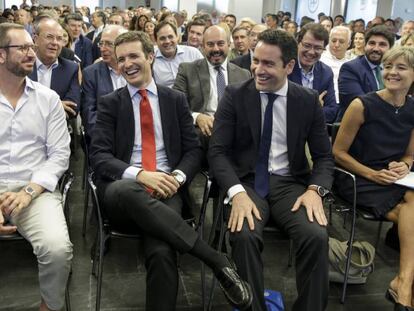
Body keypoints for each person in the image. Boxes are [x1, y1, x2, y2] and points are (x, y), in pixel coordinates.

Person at [89, 30, 252, 311]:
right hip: (122, 190)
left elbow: (192, 151)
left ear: (150, 56)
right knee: (128, 189)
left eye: (134, 56)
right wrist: (139, 174)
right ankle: (215, 259)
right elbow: (99, 156)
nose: (127, 64)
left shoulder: (174, 100)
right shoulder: (110, 103)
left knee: (163, 250)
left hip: (168, 188)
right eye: (121, 59)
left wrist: (176, 178)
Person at [208, 28, 334, 311]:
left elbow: (324, 157)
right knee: (243, 235)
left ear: (289, 66)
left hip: (290, 185)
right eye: (256, 61)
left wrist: (316, 191)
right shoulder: (235, 95)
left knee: (316, 235)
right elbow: (217, 151)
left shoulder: (307, 100)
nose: (257, 70)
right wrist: (236, 193)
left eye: (268, 64)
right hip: (248, 182)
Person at [333, 46, 414, 311]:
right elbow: (338, 153)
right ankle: (403, 287)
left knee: (411, 201)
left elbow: (410, 156)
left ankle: (403, 282)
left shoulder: (413, 109)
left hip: (393, 180)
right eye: (388, 66)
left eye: (400, 67)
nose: (392, 72)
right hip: (357, 177)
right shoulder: (362, 105)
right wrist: (371, 174)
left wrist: (403, 166)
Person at [0, 23, 72, 311]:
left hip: (34, 190)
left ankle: (49, 306)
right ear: (1, 55)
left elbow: (59, 155)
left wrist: (29, 191)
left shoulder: (48, 99)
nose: (32, 53)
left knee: (57, 249)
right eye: (23, 48)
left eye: (32, 46)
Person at [173, 25, 250, 152]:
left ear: (229, 45)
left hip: (234, 133)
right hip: (201, 133)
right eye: (210, 44)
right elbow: (176, 105)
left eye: (220, 44)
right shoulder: (187, 70)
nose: (216, 49)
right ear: (203, 47)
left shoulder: (243, 74)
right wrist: (197, 117)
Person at [81, 25, 127, 145]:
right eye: (101, 43)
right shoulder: (91, 73)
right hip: (104, 142)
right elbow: (89, 116)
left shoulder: (134, 70)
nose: (103, 49)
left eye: (109, 44)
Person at [338, 25, 394, 120]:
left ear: (390, 48)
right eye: (372, 43)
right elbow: (360, 105)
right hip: (358, 126)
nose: (376, 48)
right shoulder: (350, 68)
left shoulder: (393, 70)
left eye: (382, 44)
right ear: (365, 45)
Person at [29, 18, 80, 119]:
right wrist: (56, 105)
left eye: (59, 38)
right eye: (49, 37)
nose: (55, 42)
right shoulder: (23, 65)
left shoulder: (70, 69)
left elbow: (72, 109)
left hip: (58, 129)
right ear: (35, 39)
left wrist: (34, 106)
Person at [288, 23, 338, 123]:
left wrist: (304, 111)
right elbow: (284, 109)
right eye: (307, 46)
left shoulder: (326, 73)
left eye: (318, 48)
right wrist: (314, 107)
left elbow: (332, 111)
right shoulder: (286, 67)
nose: (311, 52)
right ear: (298, 43)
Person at [152, 21, 203, 88]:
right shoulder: (151, 60)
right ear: (156, 41)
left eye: (170, 37)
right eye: (162, 38)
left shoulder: (193, 54)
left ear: (177, 37)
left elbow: (206, 78)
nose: (167, 41)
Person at [320, 26, 352, 103]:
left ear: (349, 43)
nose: (337, 45)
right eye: (333, 41)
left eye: (341, 42)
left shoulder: (352, 64)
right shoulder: (319, 59)